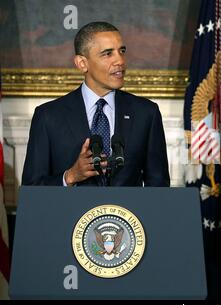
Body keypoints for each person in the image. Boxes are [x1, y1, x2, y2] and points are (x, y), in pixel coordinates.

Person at [22, 21, 170, 187]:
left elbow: (159, 186)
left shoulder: (146, 113)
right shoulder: (48, 116)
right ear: (82, 63)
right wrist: (70, 177)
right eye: (108, 54)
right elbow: (32, 188)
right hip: (70, 213)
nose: (120, 60)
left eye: (121, 51)